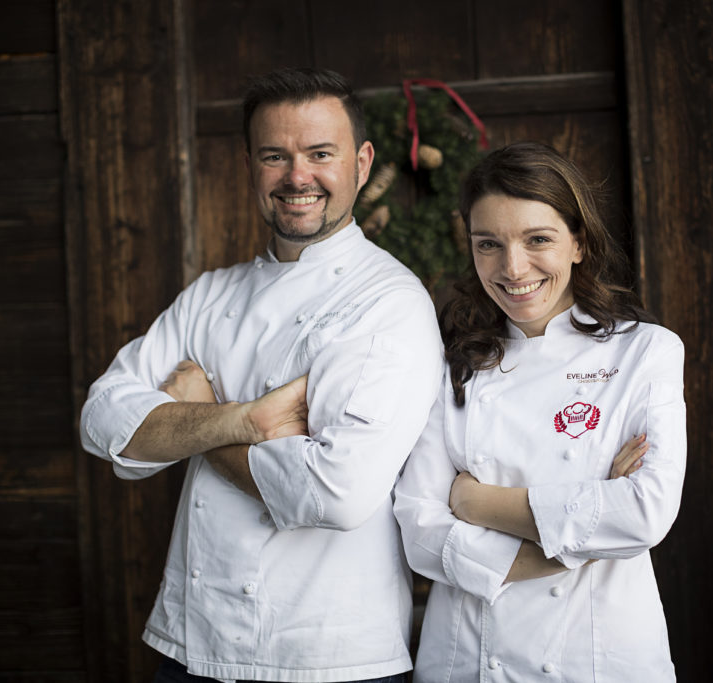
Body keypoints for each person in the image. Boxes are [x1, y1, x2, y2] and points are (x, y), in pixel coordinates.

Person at [79, 67, 443, 682]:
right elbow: (104, 423)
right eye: (275, 155)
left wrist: (191, 425)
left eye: (320, 154)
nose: (297, 177)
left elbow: (337, 492)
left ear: (362, 161)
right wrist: (244, 419)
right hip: (189, 641)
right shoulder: (208, 295)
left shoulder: (389, 302)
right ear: (249, 163)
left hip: (328, 656)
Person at [393, 142, 686, 681]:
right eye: (489, 244)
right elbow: (419, 529)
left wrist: (474, 501)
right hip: (469, 658)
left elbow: (645, 513)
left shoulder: (646, 352)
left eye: (538, 239)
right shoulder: (450, 364)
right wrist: (583, 537)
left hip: (598, 657)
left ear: (578, 241)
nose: (513, 267)